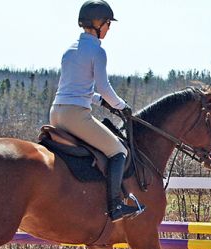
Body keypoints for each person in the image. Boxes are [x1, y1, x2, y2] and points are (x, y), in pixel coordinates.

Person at [50, 0, 144, 222]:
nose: (109, 28)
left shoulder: (69, 50)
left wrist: (101, 101)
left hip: (56, 113)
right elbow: (103, 85)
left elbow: (78, 89)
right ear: (98, 23)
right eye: (108, 23)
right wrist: (121, 106)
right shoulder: (97, 51)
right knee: (118, 151)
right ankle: (115, 207)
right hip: (76, 116)